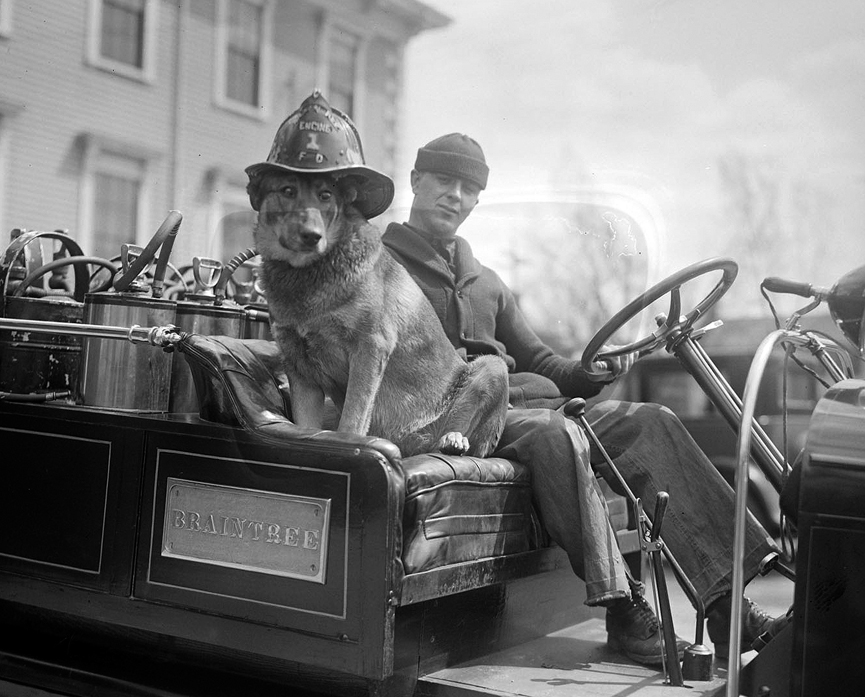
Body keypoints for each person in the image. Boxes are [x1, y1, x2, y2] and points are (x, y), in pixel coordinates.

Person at [382, 133, 786, 666]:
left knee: (651, 420)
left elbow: (543, 362)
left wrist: (589, 371)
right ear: (415, 182)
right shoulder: (384, 267)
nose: (454, 196)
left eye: (468, 188)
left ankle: (729, 608)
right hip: (459, 418)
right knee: (557, 434)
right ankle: (623, 608)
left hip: (529, 403)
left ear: (478, 200)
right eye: (443, 181)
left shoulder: (488, 281)